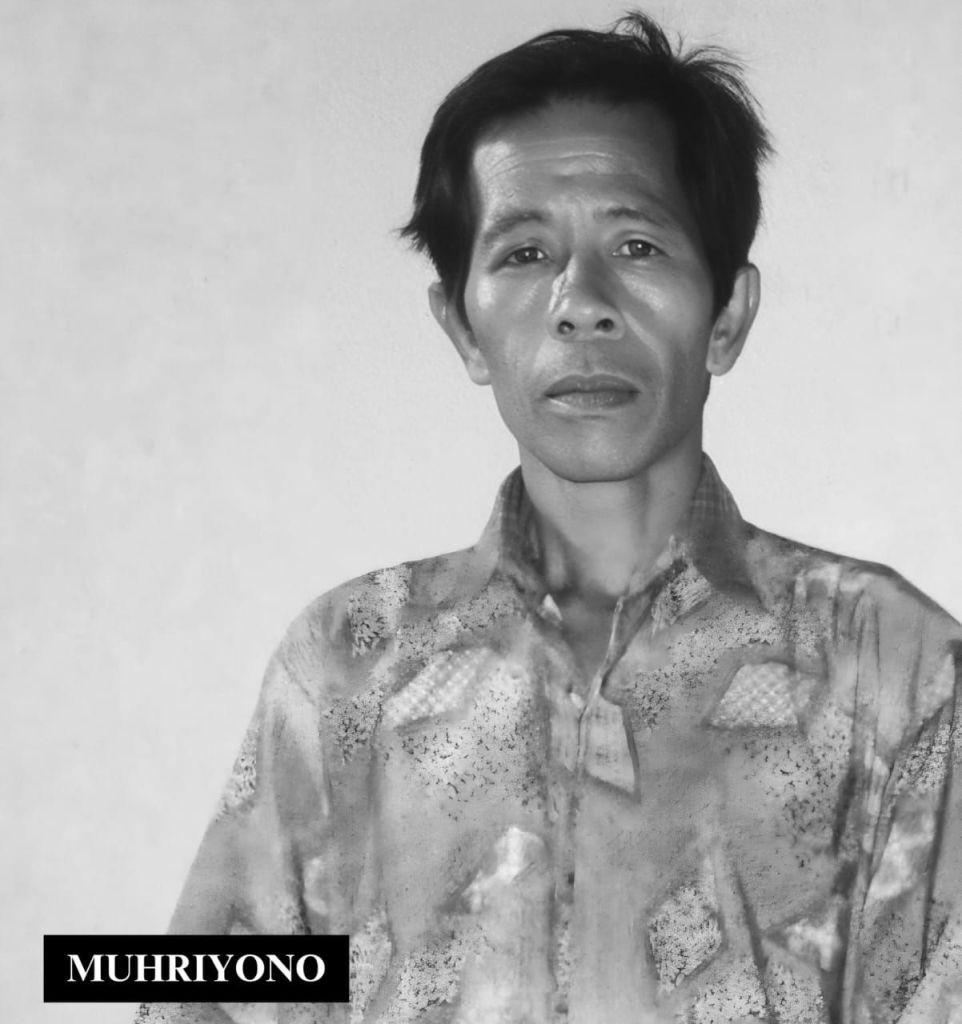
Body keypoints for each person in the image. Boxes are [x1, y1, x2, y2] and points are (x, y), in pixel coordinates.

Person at [140, 12, 962, 1024]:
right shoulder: (348, 667)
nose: (581, 302)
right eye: (525, 253)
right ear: (461, 325)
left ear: (726, 316)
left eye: (636, 243)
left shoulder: (893, 667)